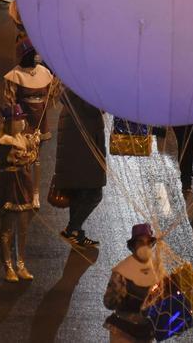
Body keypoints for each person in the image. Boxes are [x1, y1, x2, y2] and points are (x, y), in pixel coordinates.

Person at [0, 105, 42, 282]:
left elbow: (34, 160)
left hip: (24, 183)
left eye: (22, 118)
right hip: (9, 186)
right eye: (18, 119)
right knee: (7, 229)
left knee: (23, 229)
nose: (22, 122)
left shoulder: (24, 137)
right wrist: (34, 147)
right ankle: (8, 267)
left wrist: (34, 143)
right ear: (9, 123)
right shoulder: (4, 141)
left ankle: (21, 265)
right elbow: (24, 158)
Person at [56, 88, 106, 247]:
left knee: (79, 193)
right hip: (84, 154)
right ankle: (72, 229)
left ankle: (76, 234)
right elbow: (94, 109)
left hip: (77, 154)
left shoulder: (71, 95)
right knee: (94, 193)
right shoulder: (84, 94)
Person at [103, 224, 161, 342]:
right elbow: (108, 303)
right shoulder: (122, 271)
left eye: (148, 242)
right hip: (122, 329)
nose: (145, 245)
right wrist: (118, 294)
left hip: (145, 332)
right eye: (140, 242)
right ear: (133, 245)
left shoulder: (157, 271)